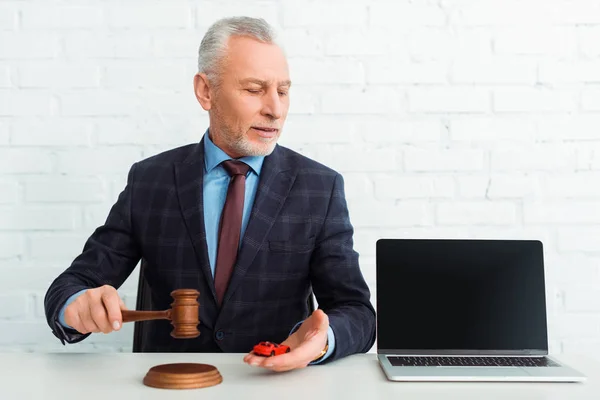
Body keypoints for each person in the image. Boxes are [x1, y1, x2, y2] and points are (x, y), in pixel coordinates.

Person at [44, 16, 375, 372]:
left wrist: (320, 340)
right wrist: (77, 306)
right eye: (253, 89)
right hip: (170, 385)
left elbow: (356, 311)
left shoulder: (319, 187)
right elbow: (72, 284)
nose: (275, 109)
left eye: (282, 90)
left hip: (273, 387)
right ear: (206, 91)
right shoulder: (150, 180)